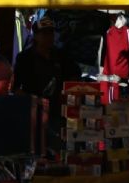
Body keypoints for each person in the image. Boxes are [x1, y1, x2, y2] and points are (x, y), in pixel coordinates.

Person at [13, 17, 81, 151]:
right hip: (34, 114)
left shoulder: (60, 55)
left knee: (57, 148)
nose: (49, 37)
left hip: (58, 113)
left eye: (51, 33)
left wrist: (68, 94)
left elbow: (75, 73)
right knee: (36, 149)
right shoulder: (24, 58)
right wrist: (32, 101)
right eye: (44, 34)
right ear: (36, 36)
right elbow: (15, 88)